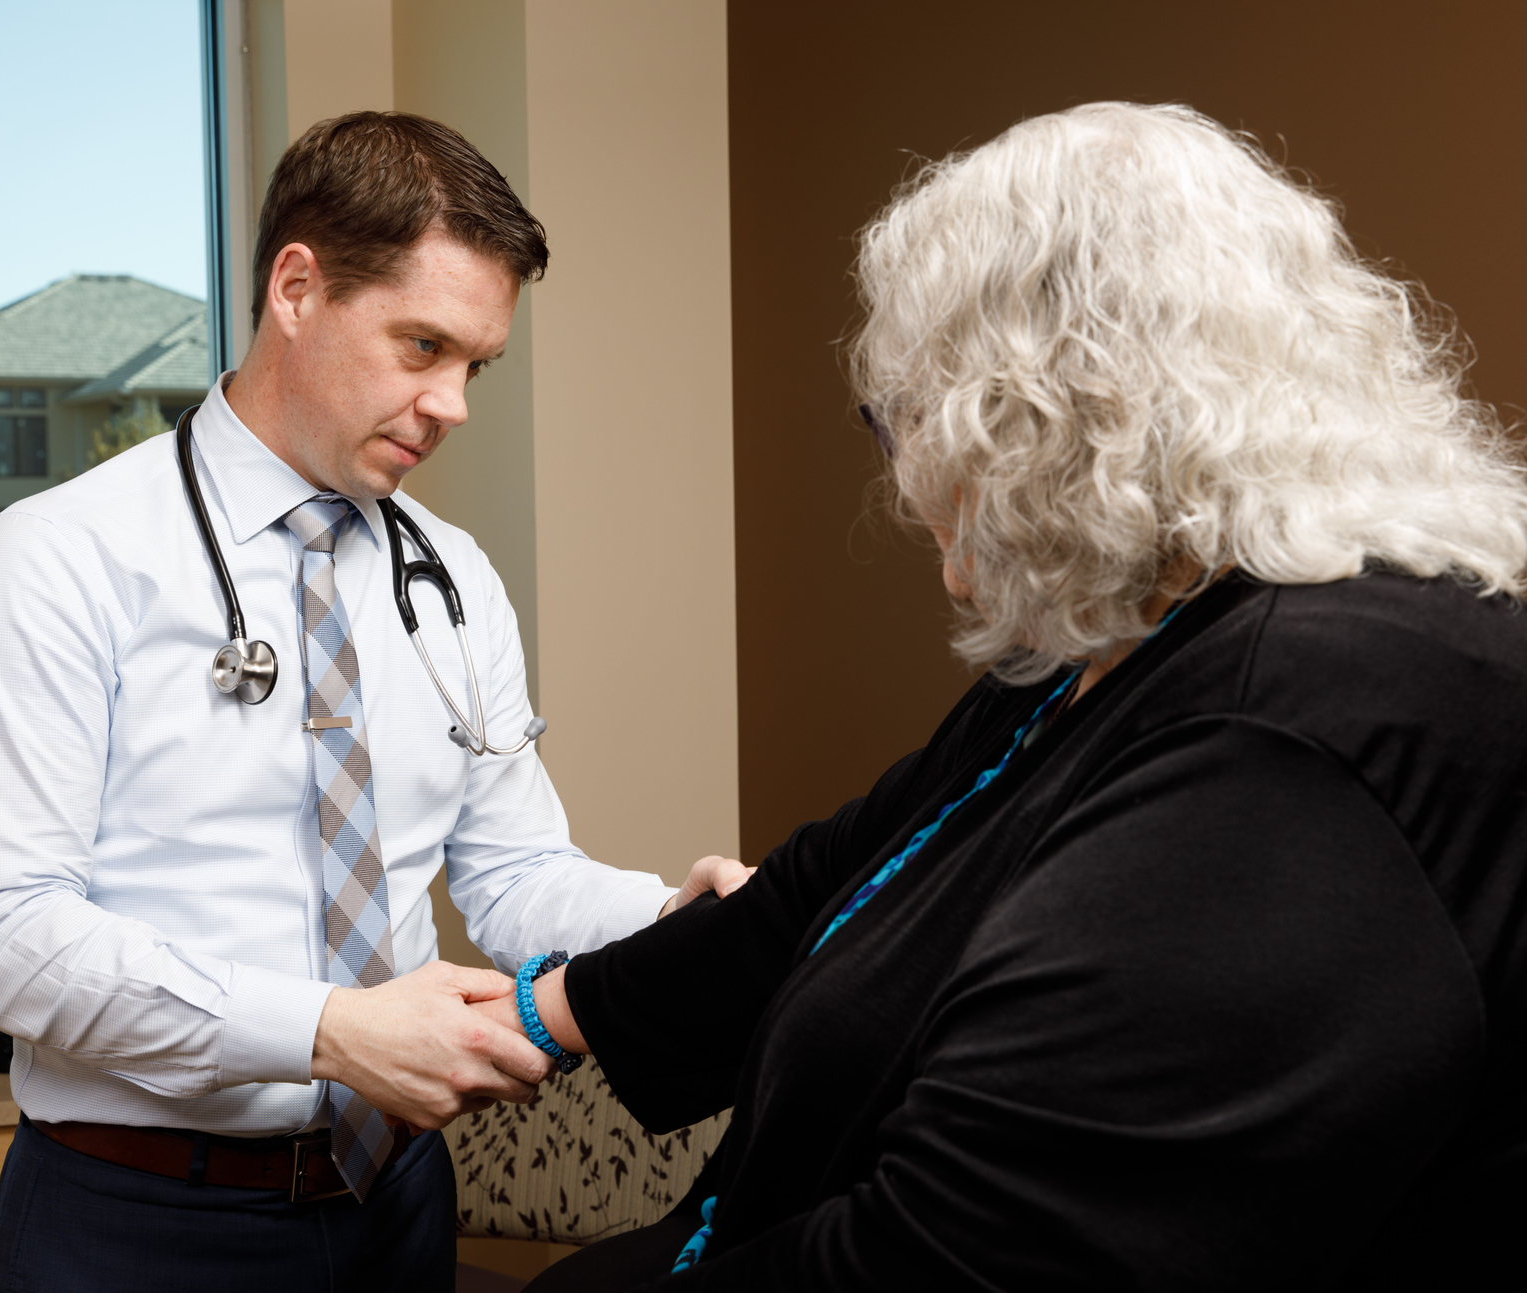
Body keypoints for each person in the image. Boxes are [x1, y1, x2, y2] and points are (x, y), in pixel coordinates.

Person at [500, 102, 1527, 1290]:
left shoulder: (1298, 723)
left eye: (902, 428)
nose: (908, 487)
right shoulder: (1124, 641)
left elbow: (961, 1259)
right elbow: (832, 880)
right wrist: (541, 1013)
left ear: (1019, 420)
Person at [0, 111, 747, 1292]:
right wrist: (329, 1031)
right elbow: (5, 942)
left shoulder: (451, 579)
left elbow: (512, 875)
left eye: (476, 365)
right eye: (422, 347)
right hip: (139, 1222)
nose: (454, 403)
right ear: (297, 289)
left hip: (395, 1207)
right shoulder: (60, 561)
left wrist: (672, 919)